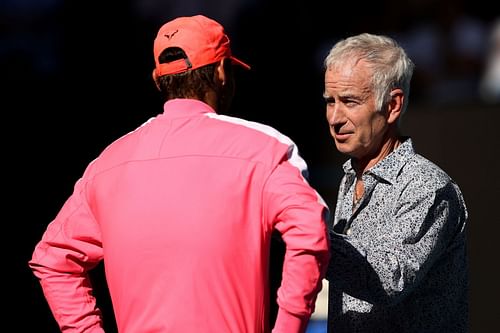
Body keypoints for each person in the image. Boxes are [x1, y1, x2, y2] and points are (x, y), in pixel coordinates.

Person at [29, 15, 330, 333]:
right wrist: (288, 327)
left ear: (159, 80)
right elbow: (310, 232)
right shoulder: (264, 148)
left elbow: (53, 258)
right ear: (221, 73)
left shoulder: (106, 164)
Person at [322, 33, 468, 332]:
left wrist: (307, 236)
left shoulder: (428, 186)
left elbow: (389, 278)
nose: (334, 117)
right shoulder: (352, 175)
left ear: (392, 105)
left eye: (349, 101)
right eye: (330, 101)